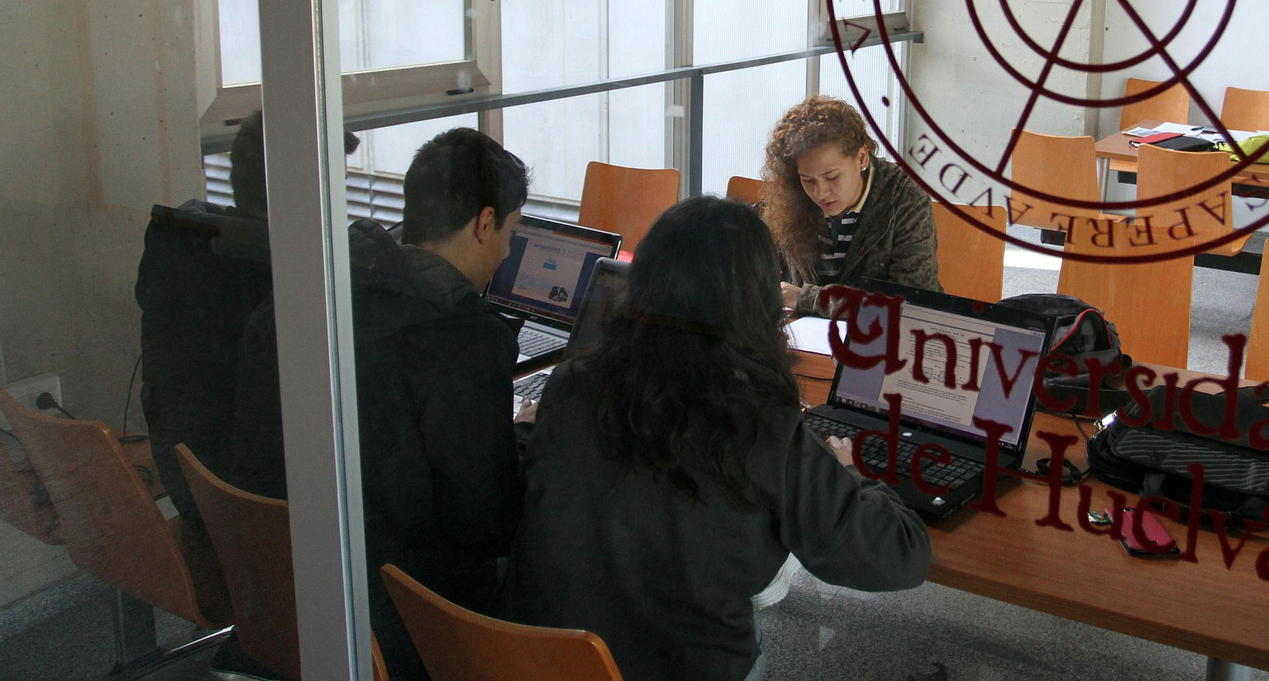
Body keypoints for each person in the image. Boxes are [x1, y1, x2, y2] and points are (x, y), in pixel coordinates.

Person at [493, 196, 930, 681]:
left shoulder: (572, 383)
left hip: (540, 662)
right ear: (758, 303)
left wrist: (528, 429)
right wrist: (851, 472)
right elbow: (899, 556)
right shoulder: (759, 423)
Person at [229, 127, 534, 681]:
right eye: (511, 233)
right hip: (403, 615)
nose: (508, 251)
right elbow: (487, 524)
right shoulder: (462, 341)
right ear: (484, 224)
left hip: (297, 580)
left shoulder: (315, 292)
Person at [135, 111, 359, 535]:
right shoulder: (291, 285)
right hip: (269, 526)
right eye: (335, 186)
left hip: (196, 493)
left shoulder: (185, 243)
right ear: (302, 194)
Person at [760, 96, 941, 315]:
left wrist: (809, 299)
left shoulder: (905, 199)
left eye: (833, 177)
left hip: (882, 339)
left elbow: (910, 303)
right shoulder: (791, 195)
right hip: (808, 335)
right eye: (808, 180)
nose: (820, 193)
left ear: (862, 158)